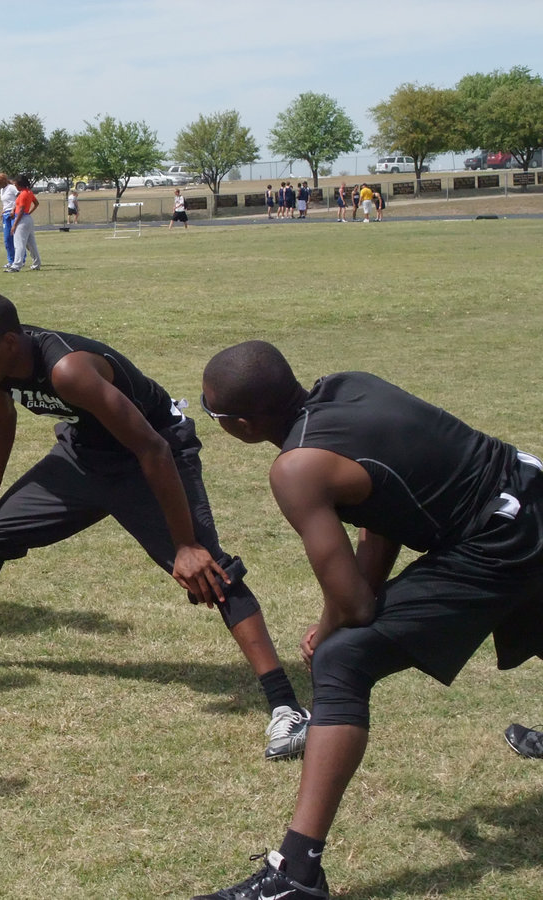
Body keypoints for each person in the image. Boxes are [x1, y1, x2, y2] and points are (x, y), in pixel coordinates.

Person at [0, 294, 311, 763]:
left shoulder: (68, 370)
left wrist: (185, 544)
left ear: (8, 342)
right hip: (84, 458)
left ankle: (287, 706)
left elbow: (152, 449)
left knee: (208, 571)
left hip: (152, 457)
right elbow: (0, 419)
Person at [194, 341, 543, 899]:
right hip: (530, 490)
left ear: (241, 424)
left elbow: (356, 607)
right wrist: (336, 612)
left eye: (214, 416)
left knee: (343, 661)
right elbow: (381, 519)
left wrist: (330, 628)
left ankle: (296, 875)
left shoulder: (296, 468)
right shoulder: (351, 384)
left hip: (499, 538)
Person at [6, 175, 40, 273]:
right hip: (27, 219)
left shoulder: (23, 194)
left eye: (16, 184)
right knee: (31, 244)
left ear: (20, 185)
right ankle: (36, 263)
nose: (15, 186)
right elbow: (36, 203)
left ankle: (16, 265)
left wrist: (14, 225)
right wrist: (29, 213)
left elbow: (20, 210)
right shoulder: (29, 192)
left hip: (21, 219)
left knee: (19, 243)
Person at [0, 172, 18, 267]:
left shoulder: (11, 188)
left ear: (3, 181)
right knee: (7, 239)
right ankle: (11, 260)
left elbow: (18, 198)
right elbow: (6, 203)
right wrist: (3, 211)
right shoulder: (2, 190)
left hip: (13, 214)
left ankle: (20, 259)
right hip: (6, 215)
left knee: (16, 238)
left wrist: (13, 209)